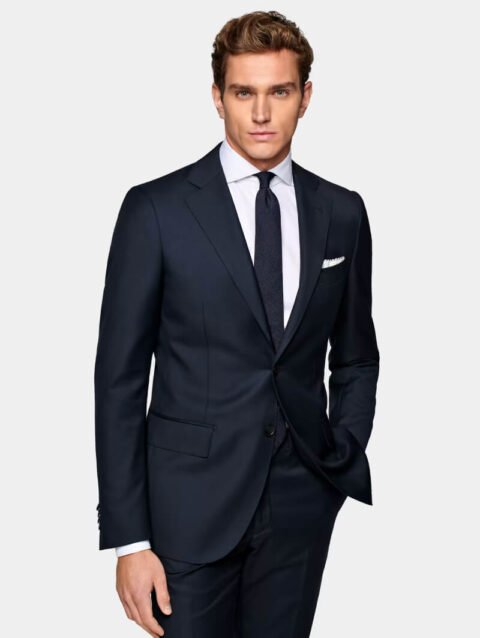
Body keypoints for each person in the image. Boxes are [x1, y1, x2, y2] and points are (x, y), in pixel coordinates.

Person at [94, 9, 380, 637]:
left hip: (300, 507)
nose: (261, 113)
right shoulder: (156, 210)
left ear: (305, 97)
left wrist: (341, 451)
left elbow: (356, 355)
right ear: (217, 97)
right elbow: (119, 380)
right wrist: (129, 540)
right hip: (186, 512)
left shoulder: (342, 212)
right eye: (244, 93)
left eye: (280, 92)